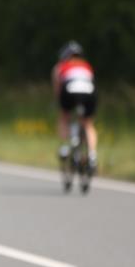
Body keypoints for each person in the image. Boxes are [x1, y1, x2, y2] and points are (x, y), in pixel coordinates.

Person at [52, 41, 98, 173]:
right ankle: (92, 155)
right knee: (88, 123)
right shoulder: (86, 66)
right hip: (89, 90)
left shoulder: (60, 66)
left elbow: (58, 89)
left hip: (69, 88)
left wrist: (60, 104)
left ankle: (66, 147)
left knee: (64, 117)